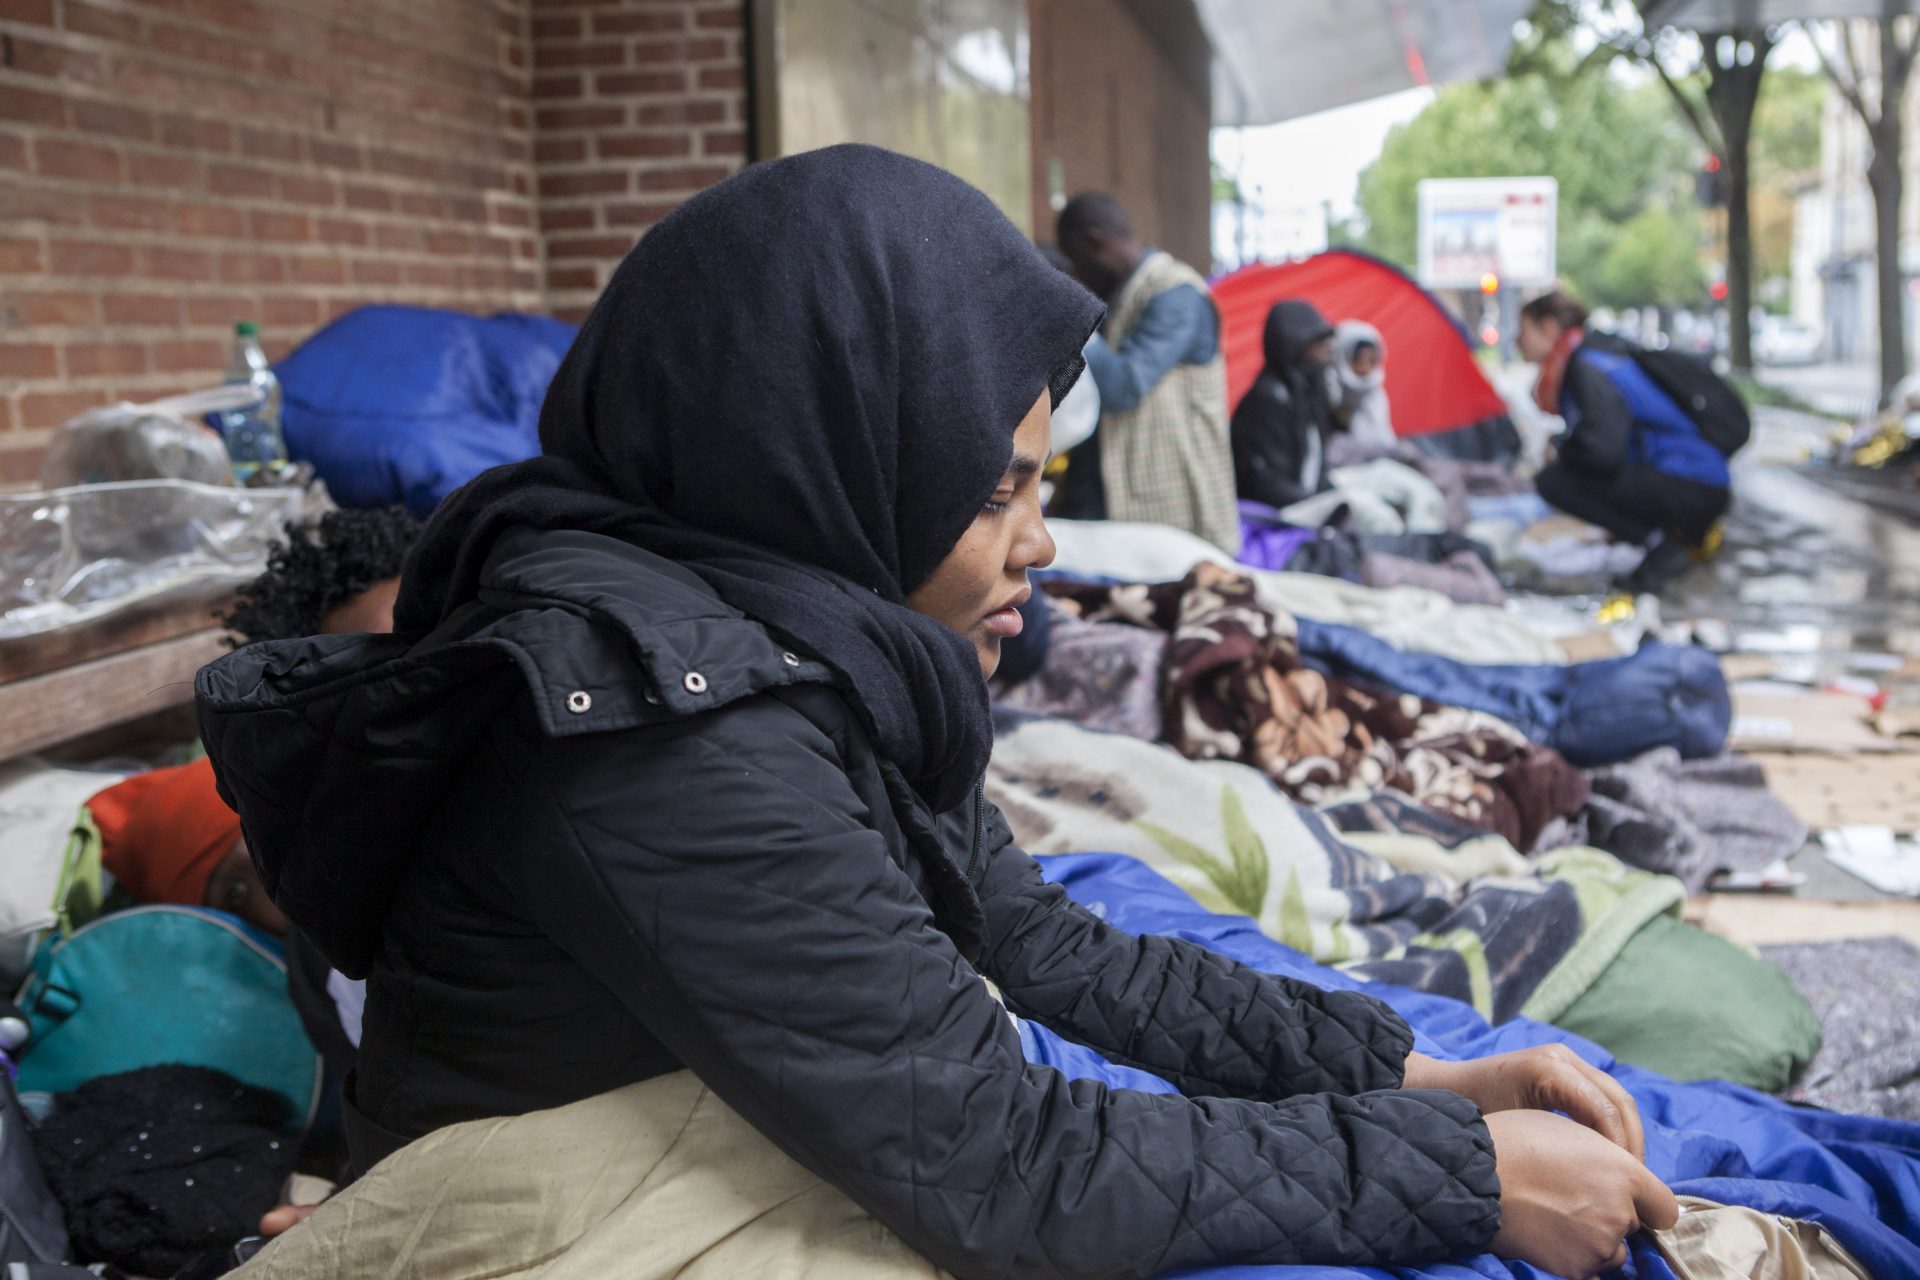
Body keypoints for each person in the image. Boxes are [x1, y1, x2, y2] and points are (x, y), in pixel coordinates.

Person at [199, 146, 1674, 1279]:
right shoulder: (653, 727)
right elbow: (1004, 1164)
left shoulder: (787, 634)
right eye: (997, 489)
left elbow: (1033, 938)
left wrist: (1426, 1075)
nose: (1039, 539)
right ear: (818, 450)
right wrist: (1467, 1175)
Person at [1056, 193, 1241, 553]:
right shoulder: (1126, 293)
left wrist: (1074, 312)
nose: (1075, 273)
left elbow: (1124, 386)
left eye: (1076, 260)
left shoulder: (1176, 294)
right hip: (1117, 499)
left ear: (1095, 242)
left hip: (1177, 510)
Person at [1517, 292, 1731, 592]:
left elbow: (1604, 452)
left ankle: (1660, 543)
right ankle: (1657, 538)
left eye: (1523, 330)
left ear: (1550, 327)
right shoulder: (1599, 354)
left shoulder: (1587, 366)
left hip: (1692, 485)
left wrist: (1561, 450)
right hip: (1698, 481)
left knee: (1553, 480)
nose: (1517, 341)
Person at [1231, 299, 1338, 510]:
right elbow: (1267, 484)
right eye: (1316, 344)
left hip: (1304, 501)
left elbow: (1315, 465)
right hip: (1271, 516)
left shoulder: (1308, 393)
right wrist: (1320, 507)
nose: (1324, 351)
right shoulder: (1267, 400)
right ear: (1293, 344)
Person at [1328, 318, 1394, 449]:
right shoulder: (1329, 389)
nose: (1365, 368)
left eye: (1370, 360)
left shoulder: (1375, 394)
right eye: (1358, 360)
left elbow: (1384, 435)